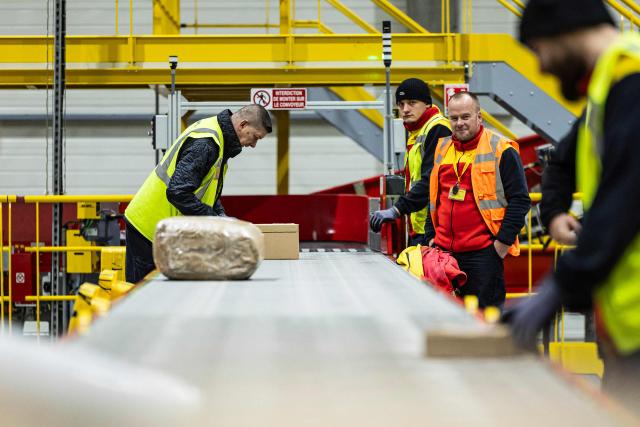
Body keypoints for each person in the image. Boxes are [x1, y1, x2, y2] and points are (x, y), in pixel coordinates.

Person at [507, 0, 640, 412]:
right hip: (627, 328)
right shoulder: (610, 89)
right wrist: (553, 212)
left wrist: (560, 287)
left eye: (538, 51)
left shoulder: (632, 80)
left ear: (563, 32)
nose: (542, 68)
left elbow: (627, 198)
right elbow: (564, 161)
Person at [124, 105, 272, 283]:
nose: (254, 145)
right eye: (255, 137)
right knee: (143, 296)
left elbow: (208, 193)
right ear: (242, 125)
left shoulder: (219, 142)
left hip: (164, 230)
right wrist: (215, 224)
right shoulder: (206, 144)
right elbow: (178, 192)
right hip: (147, 228)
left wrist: (223, 219)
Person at [429, 91, 530, 308]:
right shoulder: (442, 148)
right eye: (454, 118)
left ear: (479, 117)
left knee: (485, 322)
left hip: (483, 256)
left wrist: (500, 246)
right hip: (445, 255)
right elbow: (434, 197)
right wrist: (431, 237)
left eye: (465, 117)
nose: (459, 123)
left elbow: (520, 200)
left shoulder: (501, 149)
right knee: (447, 320)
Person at [370, 78, 451, 246]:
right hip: (418, 227)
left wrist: (397, 209)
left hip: (435, 230)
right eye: (401, 104)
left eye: (412, 102)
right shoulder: (416, 132)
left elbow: (431, 181)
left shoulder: (438, 129)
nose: (405, 109)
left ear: (427, 104)